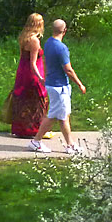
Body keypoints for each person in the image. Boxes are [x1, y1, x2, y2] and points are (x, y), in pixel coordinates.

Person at [28, 18, 87, 154]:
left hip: (52, 84)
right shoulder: (61, 48)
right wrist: (80, 84)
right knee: (55, 116)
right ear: (64, 31)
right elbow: (68, 70)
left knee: (62, 115)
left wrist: (46, 77)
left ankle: (69, 145)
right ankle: (36, 142)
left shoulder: (48, 43)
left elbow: (46, 62)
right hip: (59, 86)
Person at [4, 13, 48, 138]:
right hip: (31, 73)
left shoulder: (23, 37)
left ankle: (21, 128)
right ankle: (33, 129)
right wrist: (40, 78)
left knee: (23, 98)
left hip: (22, 70)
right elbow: (33, 63)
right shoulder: (35, 40)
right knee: (36, 99)